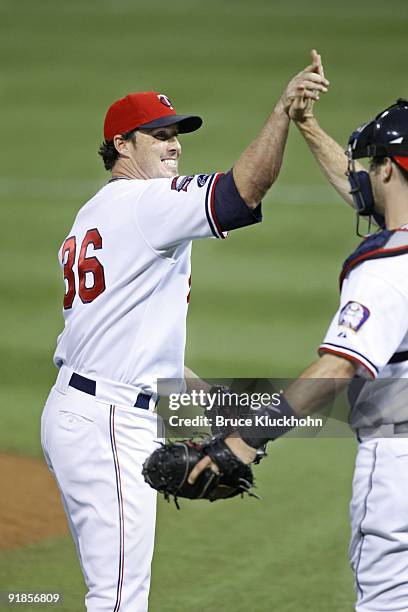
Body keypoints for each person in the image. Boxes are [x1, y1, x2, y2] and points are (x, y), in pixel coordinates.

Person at [40, 57, 329, 611]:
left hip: (89, 406)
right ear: (122, 145)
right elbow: (243, 191)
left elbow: (131, 346)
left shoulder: (95, 210)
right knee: (120, 598)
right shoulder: (147, 204)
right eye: (159, 136)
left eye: (177, 136)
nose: (174, 147)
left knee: (117, 591)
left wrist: (217, 404)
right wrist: (282, 114)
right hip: (107, 421)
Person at [189, 60, 408, 610]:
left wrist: (243, 440)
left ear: (388, 170)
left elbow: (337, 369)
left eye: (375, 163)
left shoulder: (386, 269)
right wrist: (305, 123)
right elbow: (365, 191)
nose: (365, 174)